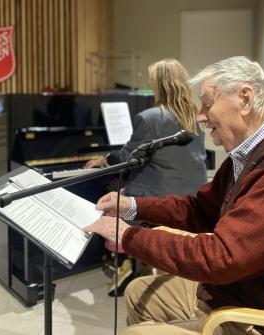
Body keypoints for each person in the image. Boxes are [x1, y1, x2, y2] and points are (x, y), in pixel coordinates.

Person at [84, 56, 264, 335]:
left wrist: (128, 236)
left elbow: (221, 259)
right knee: (139, 290)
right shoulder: (250, 154)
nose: (200, 115)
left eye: (207, 104)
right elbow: (199, 209)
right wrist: (131, 206)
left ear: (245, 99)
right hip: (242, 293)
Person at [84, 59, 208, 296]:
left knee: (112, 200)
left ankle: (125, 260)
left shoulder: (150, 117)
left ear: (158, 86)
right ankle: (130, 261)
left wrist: (102, 160)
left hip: (160, 196)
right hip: (193, 193)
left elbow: (127, 157)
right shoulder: (194, 114)